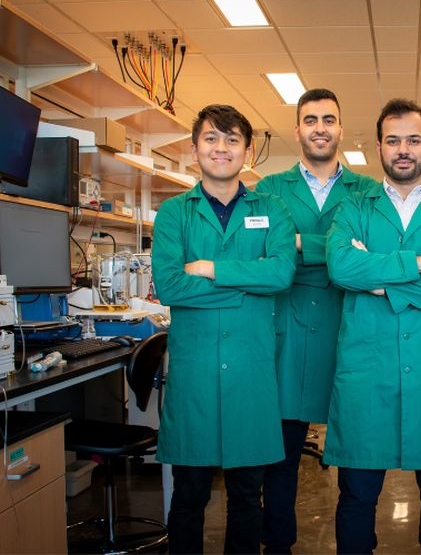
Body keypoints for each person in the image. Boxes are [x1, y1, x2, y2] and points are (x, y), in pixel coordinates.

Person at [324, 98, 421, 554]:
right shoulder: (354, 208)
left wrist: (382, 281)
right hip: (367, 375)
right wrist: (418, 264)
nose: (403, 149)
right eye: (393, 140)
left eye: (413, 140)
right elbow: (341, 266)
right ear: (379, 147)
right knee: (356, 498)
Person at [152, 104, 296, 554]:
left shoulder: (273, 209)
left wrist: (212, 269)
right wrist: (246, 283)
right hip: (194, 374)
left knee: (246, 497)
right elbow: (172, 285)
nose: (222, 148)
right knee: (190, 493)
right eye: (212, 138)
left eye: (233, 140)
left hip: (251, 375)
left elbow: (280, 275)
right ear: (195, 148)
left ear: (248, 151)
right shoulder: (174, 213)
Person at [256, 88, 376, 554]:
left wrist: (302, 245)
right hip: (286, 332)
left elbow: (377, 255)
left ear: (341, 128)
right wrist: (341, 252)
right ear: (298, 129)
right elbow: (270, 255)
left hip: (352, 329)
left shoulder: (367, 191)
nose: (320, 128)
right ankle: (278, 545)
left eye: (329, 119)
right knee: (280, 458)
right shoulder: (268, 189)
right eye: (311, 120)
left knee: (353, 455)